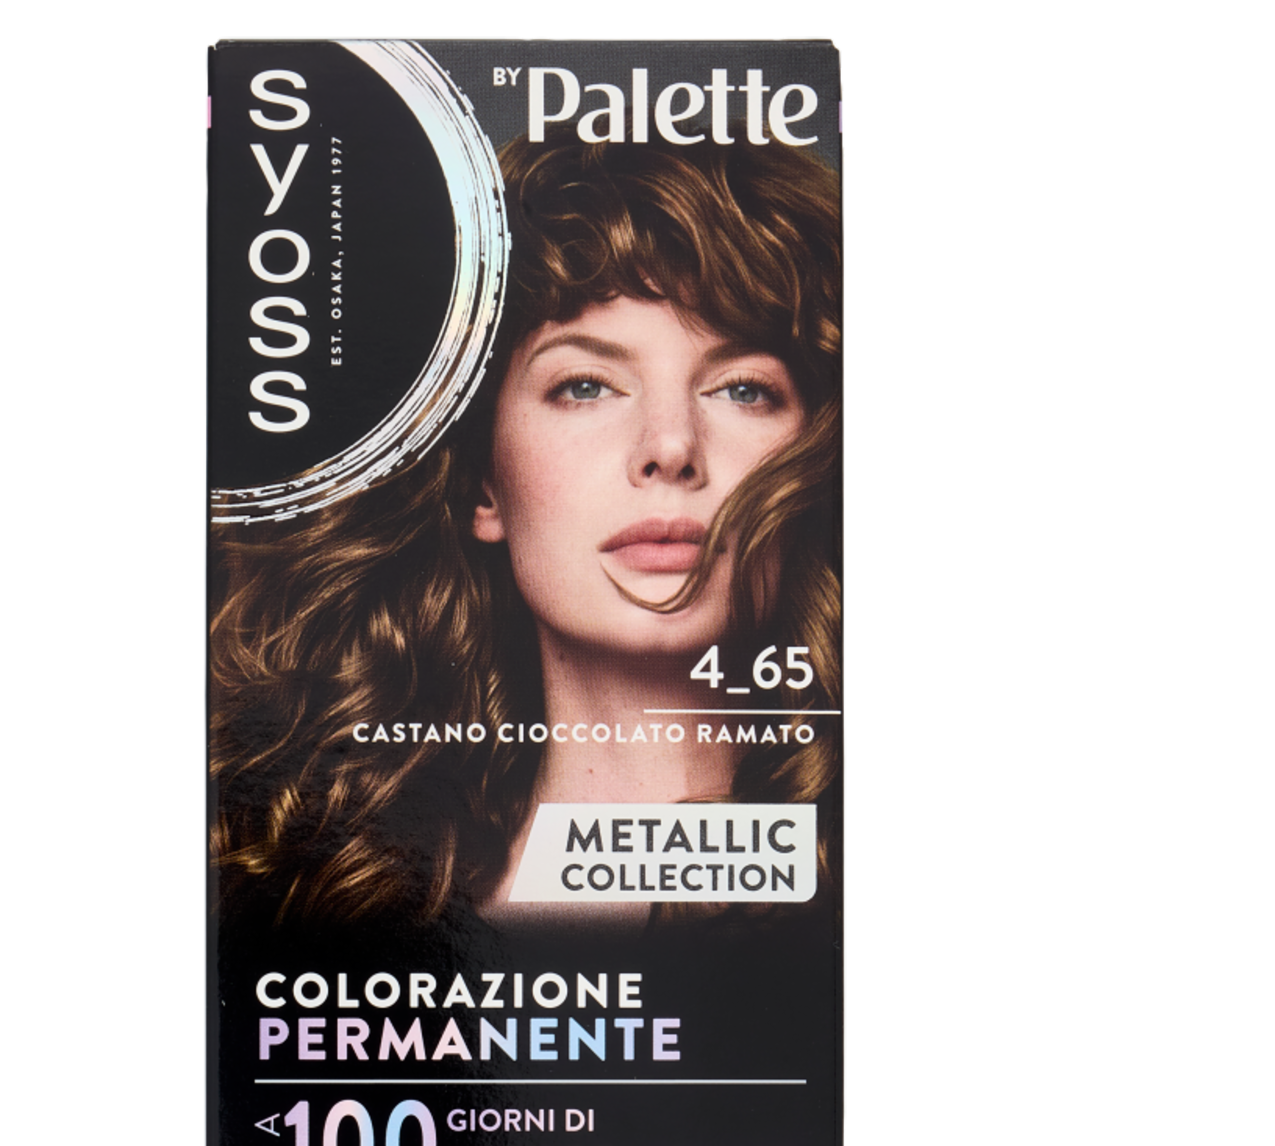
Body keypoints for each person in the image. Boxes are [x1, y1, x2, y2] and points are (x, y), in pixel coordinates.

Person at [211, 127, 840, 934]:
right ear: (485, 486)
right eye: (586, 385)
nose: (671, 447)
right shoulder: (324, 917)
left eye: (744, 389)